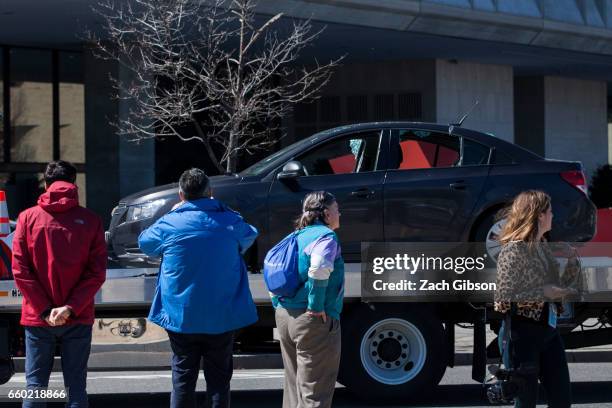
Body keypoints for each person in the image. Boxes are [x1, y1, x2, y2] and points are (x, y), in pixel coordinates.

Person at [138, 168, 258, 408]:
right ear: (211, 193)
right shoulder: (230, 221)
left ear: (181, 195)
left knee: (182, 379)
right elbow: (250, 235)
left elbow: (145, 243)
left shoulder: (170, 222)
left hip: (182, 316)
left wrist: (172, 214)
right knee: (219, 382)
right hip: (222, 315)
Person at [12, 160, 107, 408]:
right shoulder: (91, 220)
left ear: (46, 185)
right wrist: (70, 307)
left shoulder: (27, 218)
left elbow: (20, 271)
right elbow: (96, 273)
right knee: (75, 386)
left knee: (36, 386)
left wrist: (45, 309)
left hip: (38, 317)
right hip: (77, 315)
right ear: (74, 184)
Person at [494, 190, 580, 408]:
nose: (553, 216)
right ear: (539, 215)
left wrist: (572, 260)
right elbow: (502, 298)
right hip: (521, 335)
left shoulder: (542, 246)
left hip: (548, 330)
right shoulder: (513, 250)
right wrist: (543, 293)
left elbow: (561, 287)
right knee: (526, 402)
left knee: (562, 400)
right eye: (550, 211)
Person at [272, 191, 344, 408]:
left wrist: (277, 303)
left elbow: (273, 273)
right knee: (315, 394)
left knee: (294, 390)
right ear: (326, 214)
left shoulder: (294, 237)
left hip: (285, 316)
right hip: (311, 320)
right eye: (336, 208)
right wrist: (316, 306)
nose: (340, 212)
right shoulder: (325, 236)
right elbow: (319, 268)